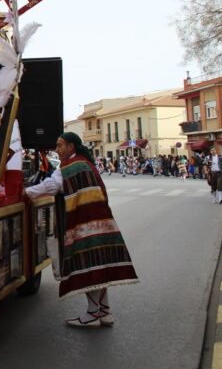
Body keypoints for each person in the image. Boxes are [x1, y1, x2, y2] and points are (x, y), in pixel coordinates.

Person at [26, 132, 138, 327]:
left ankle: (93, 313)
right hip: (101, 221)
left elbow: (52, 186)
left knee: (86, 266)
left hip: (84, 224)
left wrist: (26, 192)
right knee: (99, 265)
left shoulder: (70, 166)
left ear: (71, 146)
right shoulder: (86, 162)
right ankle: (105, 311)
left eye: (60, 145)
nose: (57, 149)